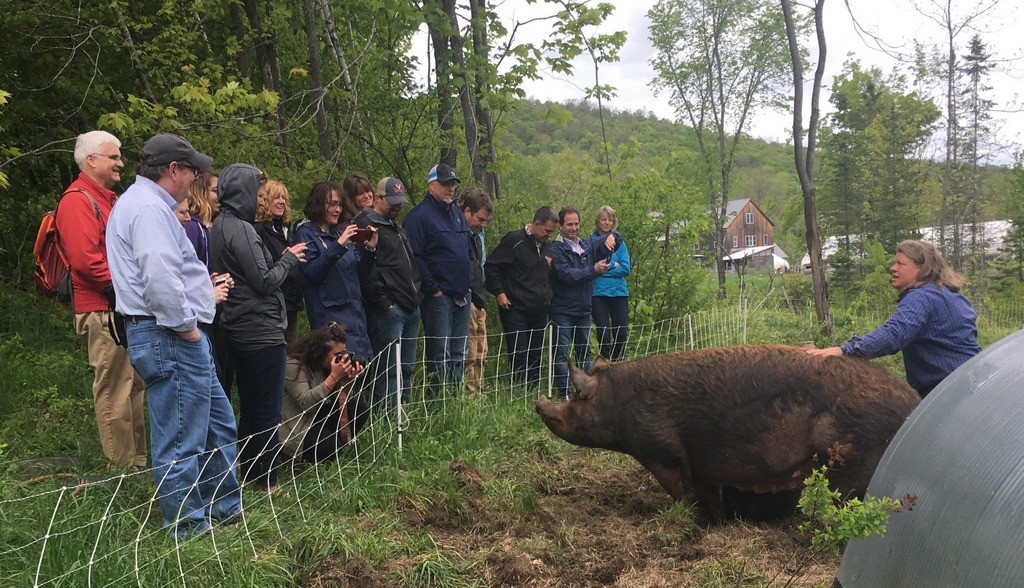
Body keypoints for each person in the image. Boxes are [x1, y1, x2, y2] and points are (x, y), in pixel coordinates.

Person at [106, 132, 242, 538]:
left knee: (218, 423)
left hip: (172, 331)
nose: (196, 179)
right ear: (173, 171)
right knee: (182, 436)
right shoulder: (147, 209)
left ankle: (223, 508)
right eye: (193, 171)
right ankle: (187, 528)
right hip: (168, 333)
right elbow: (160, 278)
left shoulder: (149, 205)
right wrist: (187, 330)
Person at [209, 163, 306, 493]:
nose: (260, 200)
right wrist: (289, 259)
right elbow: (265, 281)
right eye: (256, 192)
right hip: (260, 330)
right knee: (265, 408)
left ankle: (248, 473)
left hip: (238, 325)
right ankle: (266, 480)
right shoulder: (242, 229)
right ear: (242, 193)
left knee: (251, 406)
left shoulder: (220, 225)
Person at [55, 130, 147, 470]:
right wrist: (125, 287)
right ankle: (120, 470)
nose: (121, 162)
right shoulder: (77, 200)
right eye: (114, 157)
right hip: (100, 309)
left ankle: (138, 463)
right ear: (90, 160)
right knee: (114, 389)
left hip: (119, 308)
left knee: (133, 386)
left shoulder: (107, 199)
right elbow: (85, 261)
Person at [807, 240, 981, 397]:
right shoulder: (951, 294)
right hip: (972, 379)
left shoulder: (921, 297)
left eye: (900, 264)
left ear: (922, 268)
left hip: (945, 391)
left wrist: (845, 349)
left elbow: (894, 333)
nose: (893, 268)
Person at [402, 164, 473, 396]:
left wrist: (469, 283)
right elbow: (416, 257)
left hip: (462, 294)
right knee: (439, 353)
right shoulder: (418, 217)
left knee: (459, 353)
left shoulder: (457, 216)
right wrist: (433, 289)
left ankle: (454, 401)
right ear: (431, 184)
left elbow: (466, 252)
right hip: (438, 298)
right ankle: (437, 406)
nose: (450, 188)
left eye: (453, 184)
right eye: (445, 183)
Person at [353, 177, 422, 411]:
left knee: (407, 366)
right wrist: (385, 302)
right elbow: (365, 269)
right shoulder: (365, 225)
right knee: (388, 368)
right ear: (378, 197)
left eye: (400, 201)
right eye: (392, 201)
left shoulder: (397, 227)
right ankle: (387, 419)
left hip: (411, 304)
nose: (397, 206)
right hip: (390, 309)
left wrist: (417, 292)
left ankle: (404, 412)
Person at [293, 180, 376, 360]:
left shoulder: (340, 232)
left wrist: (370, 250)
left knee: (361, 372)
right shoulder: (305, 234)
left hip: (356, 316)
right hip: (330, 320)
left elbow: (359, 273)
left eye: (340, 204)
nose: (338, 210)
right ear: (318, 204)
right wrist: (338, 246)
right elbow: (311, 274)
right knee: (338, 377)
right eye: (332, 204)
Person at [485, 206, 560, 388]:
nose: (550, 235)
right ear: (536, 223)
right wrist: (499, 293)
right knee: (519, 353)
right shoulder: (514, 240)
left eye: (552, 232)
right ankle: (518, 393)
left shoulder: (547, 247)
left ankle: (532, 393)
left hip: (540, 309)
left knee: (535, 353)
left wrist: (548, 297)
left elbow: (549, 275)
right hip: (515, 308)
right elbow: (491, 267)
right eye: (547, 230)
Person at [549, 207, 619, 398]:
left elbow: (610, 240)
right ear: (561, 226)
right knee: (562, 353)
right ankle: (564, 393)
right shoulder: (556, 249)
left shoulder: (586, 245)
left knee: (585, 352)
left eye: (576, 224)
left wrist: (612, 237)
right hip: (562, 308)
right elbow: (566, 274)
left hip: (583, 309)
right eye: (569, 224)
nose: (574, 228)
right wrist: (593, 270)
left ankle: (587, 392)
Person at [280, 323, 364, 463]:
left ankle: (336, 445)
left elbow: (338, 401)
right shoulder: (293, 364)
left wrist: (347, 380)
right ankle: (292, 458)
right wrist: (334, 377)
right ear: (321, 352)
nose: (341, 359)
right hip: (295, 424)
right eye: (337, 355)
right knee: (331, 447)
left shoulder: (325, 365)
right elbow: (305, 402)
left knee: (359, 409)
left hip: (315, 414)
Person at [254, 179, 304, 345]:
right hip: (273, 304)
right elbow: (262, 266)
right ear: (265, 200)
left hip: (291, 301)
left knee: (292, 350)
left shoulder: (285, 230)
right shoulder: (259, 230)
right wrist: (284, 258)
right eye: (276, 198)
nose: (282, 202)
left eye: (284, 198)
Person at [460, 188, 494, 396]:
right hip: (466, 296)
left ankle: (478, 391)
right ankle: (468, 395)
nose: (482, 224)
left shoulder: (478, 235)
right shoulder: (459, 233)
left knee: (482, 351)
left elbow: (479, 268)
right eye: (480, 219)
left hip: (479, 299)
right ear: (467, 212)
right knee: (470, 351)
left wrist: (482, 302)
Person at [591, 206, 631, 361]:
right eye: (603, 219)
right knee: (603, 333)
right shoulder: (592, 242)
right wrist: (615, 266)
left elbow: (626, 268)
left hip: (619, 293)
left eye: (610, 219)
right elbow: (591, 267)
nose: (607, 222)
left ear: (613, 222)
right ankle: (605, 364)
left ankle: (615, 362)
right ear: (598, 221)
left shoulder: (620, 243)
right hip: (598, 294)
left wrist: (605, 270)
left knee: (621, 333)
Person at [183, 170, 218, 268]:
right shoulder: (191, 225)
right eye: (215, 191)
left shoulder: (220, 223)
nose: (220, 195)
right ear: (201, 192)